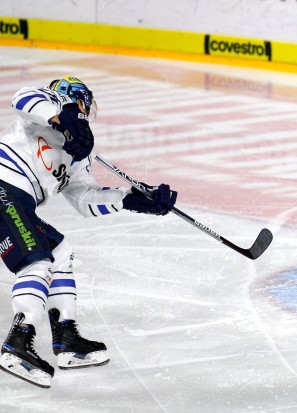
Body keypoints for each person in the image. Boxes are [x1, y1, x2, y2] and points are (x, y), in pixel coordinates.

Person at [0, 76, 177, 388]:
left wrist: (132, 199)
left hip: (18, 201)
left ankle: (66, 338)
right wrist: (63, 116)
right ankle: (17, 342)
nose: (87, 112)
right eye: (84, 105)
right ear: (75, 98)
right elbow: (21, 97)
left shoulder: (79, 150)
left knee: (59, 251)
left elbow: (83, 198)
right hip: (5, 189)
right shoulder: (46, 103)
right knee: (36, 261)